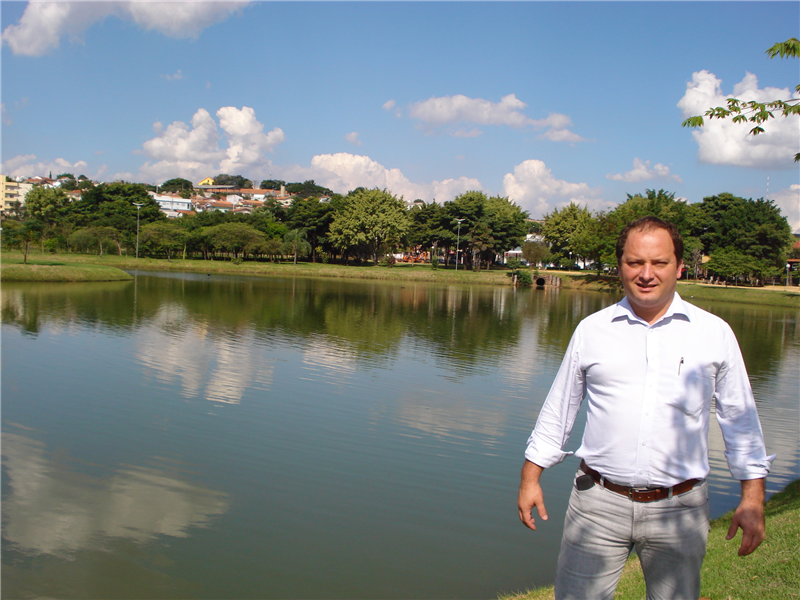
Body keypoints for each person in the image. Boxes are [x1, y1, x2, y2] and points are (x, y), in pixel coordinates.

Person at [517, 216, 774, 600]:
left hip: (680, 509)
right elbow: (560, 408)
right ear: (620, 265)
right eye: (635, 262)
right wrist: (530, 476)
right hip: (596, 503)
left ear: (679, 267)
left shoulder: (713, 333)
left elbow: (740, 419)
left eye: (659, 263)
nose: (646, 274)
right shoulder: (592, 330)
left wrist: (752, 498)